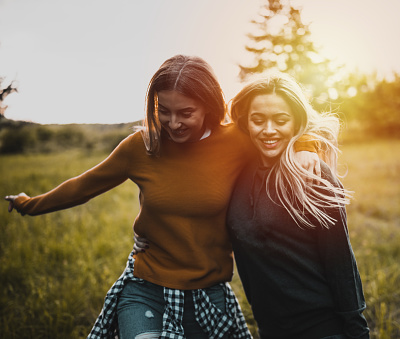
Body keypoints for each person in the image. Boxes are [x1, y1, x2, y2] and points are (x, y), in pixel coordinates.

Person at [4, 55, 320, 339]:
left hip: (208, 291)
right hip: (146, 284)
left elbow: (284, 126)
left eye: (186, 112)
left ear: (209, 106)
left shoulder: (236, 142)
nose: (173, 123)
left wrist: (307, 145)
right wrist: (28, 204)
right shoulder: (141, 146)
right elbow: (83, 186)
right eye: (163, 111)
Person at [228, 73, 370, 339]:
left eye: (281, 120)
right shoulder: (238, 169)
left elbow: (340, 261)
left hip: (321, 329)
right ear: (246, 122)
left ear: (296, 123)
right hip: (270, 330)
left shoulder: (311, 175)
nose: (268, 130)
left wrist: (356, 330)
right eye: (258, 120)